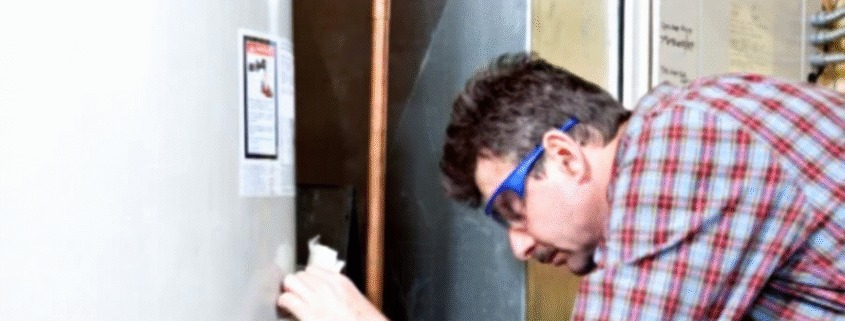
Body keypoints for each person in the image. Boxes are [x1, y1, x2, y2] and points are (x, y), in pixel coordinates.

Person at [279, 52, 845, 320]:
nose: (519, 245)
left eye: (512, 209)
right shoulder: (696, 128)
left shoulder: (680, 141)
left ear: (565, 155)